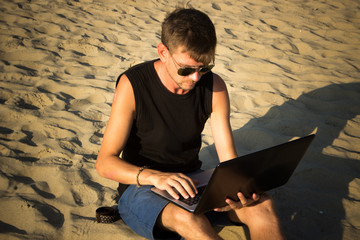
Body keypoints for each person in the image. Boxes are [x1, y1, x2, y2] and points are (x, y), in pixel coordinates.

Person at [96, 8, 285, 240]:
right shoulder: (132, 85)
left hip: (194, 182)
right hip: (141, 187)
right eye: (186, 69)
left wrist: (237, 188)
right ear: (163, 52)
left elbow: (229, 159)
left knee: (263, 206)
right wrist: (155, 177)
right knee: (189, 219)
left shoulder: (214, 87)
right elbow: (105, 162)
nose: (196, 78)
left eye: (204, 67)